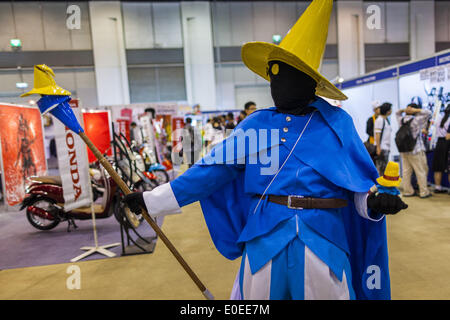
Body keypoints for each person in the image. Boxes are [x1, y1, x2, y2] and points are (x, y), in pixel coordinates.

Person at [123, 0, 406, 300]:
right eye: (274, 77)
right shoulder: (256, 126)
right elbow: (208, 172)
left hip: (325, 243)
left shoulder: (337, 124)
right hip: (264, 242)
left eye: (287, 76)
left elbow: (357, 187)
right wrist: (151, 200)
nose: (277, 85)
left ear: (310, 82)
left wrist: (374, 203)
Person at [395, 103, 432, 198]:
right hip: (415, 150)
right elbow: (428, 113)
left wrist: (405, 110)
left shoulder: (401, 120)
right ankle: (423, 192)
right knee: (420, 171)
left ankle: (408, 191)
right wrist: (415, 110)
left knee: (406, 172)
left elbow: (397, 112)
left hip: (404, 150)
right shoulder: (416, 120)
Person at [432, 104, 450, 193]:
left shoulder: (439, 118)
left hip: (439, 143)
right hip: (447, 143)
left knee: (438, 166)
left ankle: (437, 187)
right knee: (449, 167)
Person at [374, 103, 392, 175]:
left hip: (386, 147)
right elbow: (377, 134)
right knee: (381, 168)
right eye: (390, 109)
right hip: (382, 148)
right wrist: (378, 148)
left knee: (384, 168)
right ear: (387, 111)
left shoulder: (386, 120)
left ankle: (382, 185)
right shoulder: (380, 120)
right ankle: (380, 185)